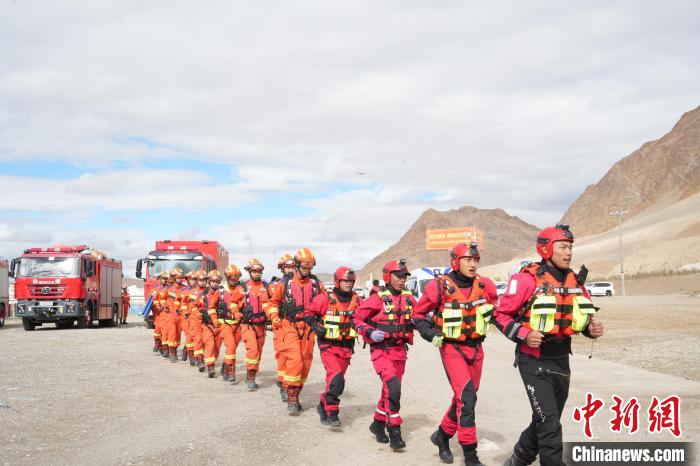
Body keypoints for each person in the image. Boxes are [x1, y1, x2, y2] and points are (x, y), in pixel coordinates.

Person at [493, 225, 604, 466]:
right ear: (546, 249)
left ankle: (518, 459)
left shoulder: (576, 282)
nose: (569, 252)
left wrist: (590, 329)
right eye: (563, 247)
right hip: (533, 361)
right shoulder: (526, 279)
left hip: (561, 361)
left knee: (545, 419)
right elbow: (498, 314)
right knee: (550, 423)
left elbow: (582, 318)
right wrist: (523, 334)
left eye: (570, 247)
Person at [414, 242, 497, 466]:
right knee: (467, 399)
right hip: (452, 348)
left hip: (476, 348)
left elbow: (499, 311)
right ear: (455, 262)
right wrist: (430, 334)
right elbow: (418, 315)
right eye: (468, 259)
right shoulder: (439, 287)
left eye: (476, 259)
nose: (473, 264)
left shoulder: (485, 285)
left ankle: (442, 435)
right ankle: (470, 456)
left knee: (465, 397)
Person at [353, 259, 415, 451]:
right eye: (398, 276)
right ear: (388, 277)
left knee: (388, 391)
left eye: (404, 276)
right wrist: (369, 331)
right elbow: (356, 318)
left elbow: (421, 314)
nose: (402, 279)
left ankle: (377, 424)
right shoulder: (377, 298)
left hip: (400, 351)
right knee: (394, 389)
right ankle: (394, 431)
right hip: (382, 351)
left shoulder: (408, 297)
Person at [265, 248, 324, 414]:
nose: (307, 270)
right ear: (297, 265)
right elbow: (272, 303)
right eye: (304, 267)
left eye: (309, 267)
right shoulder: (285, 284)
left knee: (305, 361)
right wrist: (274, 316)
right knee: (295, 359)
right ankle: (291, 397)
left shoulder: (316, 285)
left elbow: (325, 303)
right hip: (289, 325)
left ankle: (296, 392)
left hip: (309, 327)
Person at [306, 266, 361, 428]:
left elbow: (368, 315)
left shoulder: (357, 300)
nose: (349, 283)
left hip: (346, 347)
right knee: (336, 379)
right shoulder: (324, 298)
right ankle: (332, 412)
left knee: (335, 381)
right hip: (328, 346)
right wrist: (315, 327)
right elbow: (308, 312)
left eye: (351, 281)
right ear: (337, 281)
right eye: (345, 281)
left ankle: (323, 403)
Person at [267, 254, 297, 401]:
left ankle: (287, 384)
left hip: (295, 326)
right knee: (282, 355)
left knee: (295, 357)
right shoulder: (275, 286)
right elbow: (268, 304)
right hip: (280, 324)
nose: (290, 270)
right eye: (287, 267)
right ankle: (283, 384)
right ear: (282, 269)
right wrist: (273, 317)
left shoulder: (299, 284)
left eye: (293, 267)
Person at [240, 258, 270, 390]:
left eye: (259, 271)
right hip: (248, 325)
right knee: (252, 350)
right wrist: (236, 313)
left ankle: (251, 373)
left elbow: (273, 302)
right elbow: (233, 303)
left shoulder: (266, 287)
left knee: (258, 352)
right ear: (249, 272)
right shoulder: (242, 288)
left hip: (261, 325)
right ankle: (251, 378)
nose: (257, 273)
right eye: (254, 271)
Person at [220, 265, 245, 383]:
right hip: (225, 323)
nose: (235, 280)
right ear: (227, 277)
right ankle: (231, 371)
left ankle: (225, 367)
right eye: (232, 278)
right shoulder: (220, 290)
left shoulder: (242, 290)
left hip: (238, 324)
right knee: (231, 346)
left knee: (232, 349)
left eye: (237, 278)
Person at [150, 272, 169, 354]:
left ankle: (163, 347)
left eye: (166, 279)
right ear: (160, 279)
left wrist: (166, 307)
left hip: (166, 311)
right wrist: (158, 307)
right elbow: (154, 300)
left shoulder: (169, 289)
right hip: (157, 311)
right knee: (158, 328)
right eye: (163, 278)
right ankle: (157, 343)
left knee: (165, 329)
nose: (164, 280)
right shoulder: (156, 289)